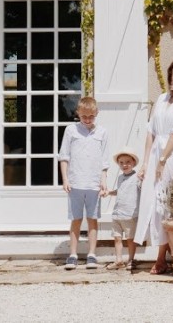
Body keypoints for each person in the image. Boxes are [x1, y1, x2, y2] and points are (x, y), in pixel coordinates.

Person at [134, 59, 173, 275]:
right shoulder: (161, 98)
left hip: (172, 156)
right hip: (155, 155)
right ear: (170, 78)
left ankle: (162, 258)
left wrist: (162, 160)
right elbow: (151, 132)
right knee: (152, 203)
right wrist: (146, 163)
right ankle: (164, 254)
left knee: (166, 206)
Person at [59, 96, 109, 270]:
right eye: (84, 117)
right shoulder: (71, 130)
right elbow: (64, 156)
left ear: (96, 114)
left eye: (91, 117)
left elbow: (104, 160)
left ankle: (92, 254)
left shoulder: (102, 132)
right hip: (75, 182)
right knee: (76, 219)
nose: (87, 120)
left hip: (94, 183)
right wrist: (65, 179)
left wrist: (103, 181)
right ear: (78, 114)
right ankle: (72, 254)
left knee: (93, 219)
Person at [105, 148, 140, 271]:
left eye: (128, 162)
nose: (124, 165)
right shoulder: (120, 178)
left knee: (130, 239)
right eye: (121, 162)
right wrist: (109, 192)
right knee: (117, 238)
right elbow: (119, 191)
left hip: (130, 214)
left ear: (133, 163)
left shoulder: (137, 177)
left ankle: (131, 259)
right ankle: (119, 260)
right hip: (117, 213)